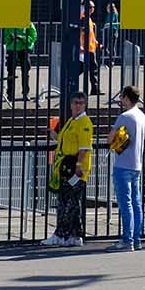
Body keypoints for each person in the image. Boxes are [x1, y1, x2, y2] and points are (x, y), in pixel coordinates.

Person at [45, 93, 93, 247]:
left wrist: (79, 166)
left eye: (81, 103)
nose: (78, 105)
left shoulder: (84, 122)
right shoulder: (73, 121)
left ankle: (61, 235)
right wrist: (56, 136)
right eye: (75, 102)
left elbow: (84, 148)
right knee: (72, 203)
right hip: (67, 167)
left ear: (85, 105)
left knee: (67, 203)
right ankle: (75, 236)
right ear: (71, 105)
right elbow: (67, 141)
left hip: (75, 168)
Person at [109, 86, 145, 251]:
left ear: (126, 97)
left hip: (123, 164)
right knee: (136, 203)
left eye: (122, 97)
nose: (121, 100)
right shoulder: (142, 116)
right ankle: (137, 238)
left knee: (126, 204)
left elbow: (110, 138)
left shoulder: (124, 116)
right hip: (137, 164)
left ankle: (127, 240)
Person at [3, 24, 37, 101]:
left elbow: (33, 37)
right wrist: (10, 38)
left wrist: (22, 38)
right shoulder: (10, 23)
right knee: (11, 72)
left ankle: (25, 94)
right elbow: (5, 38)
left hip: (24, 49)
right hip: (12, 49)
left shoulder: (28, 23)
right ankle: (10, 95)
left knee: (25, 72)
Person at [75, 2, 101, 95]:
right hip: (86, 49)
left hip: (90, 48)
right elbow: (80, 34)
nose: (92, 9)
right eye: (90, 7)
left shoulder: (89, 19)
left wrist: (97, 43)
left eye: (93, 7)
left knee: (89, 69)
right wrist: (80, 46)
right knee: (88, 69)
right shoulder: (83, 18)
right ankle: (95, 90)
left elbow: (91, 35)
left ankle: (95, 89)